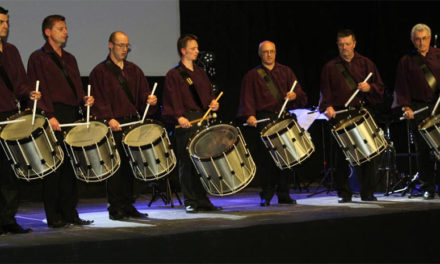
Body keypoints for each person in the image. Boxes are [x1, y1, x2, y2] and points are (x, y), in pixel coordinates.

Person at [27, 15, 94, 227]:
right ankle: (53, 215)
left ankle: (69, 212)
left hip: (71, 114)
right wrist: (48, 115)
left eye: (65, 28)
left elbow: (74, 85)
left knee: (71, 167)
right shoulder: (38, 58)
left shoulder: (70, 58)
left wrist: (84, 100)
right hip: (53, 114)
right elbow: (39, 88)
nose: (65, 32)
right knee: (54, 167)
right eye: (60, 28)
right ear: (48, 32)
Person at [89, 31, 157, 220]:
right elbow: (98, 99)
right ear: (110, 45)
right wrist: (108, 118)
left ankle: (128, 205)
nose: (124, 49)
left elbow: (143, 94)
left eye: (127, 45)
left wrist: (149, 101)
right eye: (120, 45)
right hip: (114, 123)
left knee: (132, 166)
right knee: (116, 168)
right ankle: (116, 207)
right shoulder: (99, 72)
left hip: (132, 123)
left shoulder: (134, 70)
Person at [237, 40, 308, 206]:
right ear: (260, 54)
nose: (269, 55)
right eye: (265, 52)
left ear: (275, 53)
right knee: (267, 160)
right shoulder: (252, 75)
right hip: (265, 120)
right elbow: (246, 99)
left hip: (283, 118)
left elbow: (301, 95)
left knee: (286, 158)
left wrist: (294, 96)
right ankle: (267, 193)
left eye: (272, 51)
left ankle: (284, 193)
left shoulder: (286, 72)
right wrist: (249, 115)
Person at [318, 29, 385, 203]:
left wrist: (369, 88)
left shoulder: (366, 64)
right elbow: (325, 93)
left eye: (347, 44)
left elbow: (380, 88)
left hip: (361, 112)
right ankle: (344, 193)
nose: (344, 47)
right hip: (340, 115)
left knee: (368, 153)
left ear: (354, 44)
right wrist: (328, 107)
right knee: (341, 157)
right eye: (341, 44)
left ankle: (367, 192)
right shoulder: (330, 67)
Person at [162, 34, 222, 213]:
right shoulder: (173, 74)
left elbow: (208, 97)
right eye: (193, 48)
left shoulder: (201, 72)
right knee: (187, 164)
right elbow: (170, 99)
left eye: (197, 48)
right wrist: (179, 117)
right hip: (185, 121)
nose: (197, 51)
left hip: (202, 120)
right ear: (183, 51)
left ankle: (203, 199)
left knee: (203, 161)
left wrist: (213, 103)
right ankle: (190, 200)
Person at [0, 6, 41, 234]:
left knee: (9, 170)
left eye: (6, 22)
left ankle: (8, 219)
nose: (5, 26)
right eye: (1, 22)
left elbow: (20, 83)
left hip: (10, 116)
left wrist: (29, 94)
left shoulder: (12, 51)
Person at [394, 23, 440, 200]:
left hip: (438, 106)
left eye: (424, 39)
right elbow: (401, 86)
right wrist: (406, 107)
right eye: (418, 39)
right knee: (423, 151)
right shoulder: (406, 61)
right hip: (419, 109)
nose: (421, 43)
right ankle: (428, 186)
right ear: (413, 41)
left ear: (430, 38)